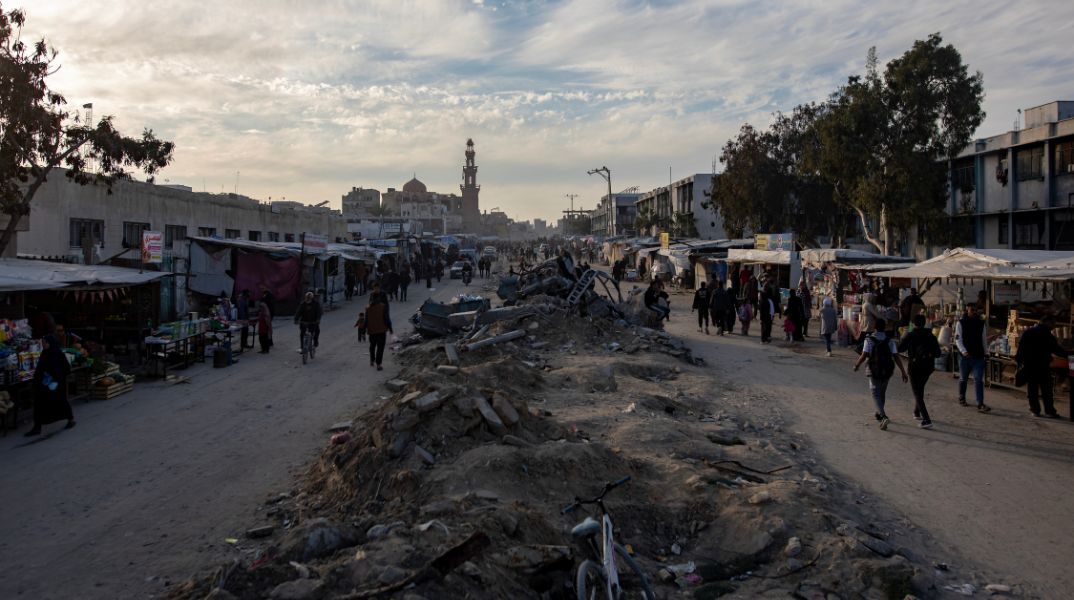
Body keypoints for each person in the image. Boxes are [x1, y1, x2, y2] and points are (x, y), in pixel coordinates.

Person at [853, 318, 908, 430]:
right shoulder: (890, 340)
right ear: (885, 327)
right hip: (887, 370)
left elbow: (864, 355)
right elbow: (896, 357)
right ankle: (879, 414)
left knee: (875, 394)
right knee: (882, 393)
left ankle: (883, 416)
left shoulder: (869, 340)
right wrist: (903, 372)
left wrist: (857, 365)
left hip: (873, 370)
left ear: (874, 327)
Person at [1015, 316, 1070, 418]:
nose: (1054, 326)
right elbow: (1056, 350)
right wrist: (1069, 354)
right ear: (1047, 323)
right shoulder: (1048, 335)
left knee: (1032, 389)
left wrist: (1019, 361)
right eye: (1053, 324)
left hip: (1030, 365)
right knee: (1047, 390)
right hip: (1043, 366)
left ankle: (1035, 410)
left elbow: (1021, 347)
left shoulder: (1029, 332)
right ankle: (1049, 411)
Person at [24, 334, 74, 436]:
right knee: (39, 404)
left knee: (61, 401)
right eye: (42, 343)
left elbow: (66, 369)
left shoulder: (58, 354)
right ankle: (37, 427)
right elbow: (40, 368)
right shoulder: (44, 353)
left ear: (50, 343)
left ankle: (70, 419)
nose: (43, 344)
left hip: (56, 385)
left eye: (45, 342)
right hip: (44, 384)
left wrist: (56, 379)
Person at [899, 314, 941, 429]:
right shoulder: (931, 335)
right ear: (925, 323)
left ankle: (927, 419)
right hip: (928, 367)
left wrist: (904, 335)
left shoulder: (911, 334)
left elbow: (900, 348)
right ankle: (916, 412)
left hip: (914, 367)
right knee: (920, 388)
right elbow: (938, 353)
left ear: (913, 324)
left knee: (917, 392)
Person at [955, 304, 991, 412]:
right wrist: (964, 351)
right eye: (972, 310)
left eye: (976, 310)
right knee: (963, 379)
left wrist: (986, 352)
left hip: (978, 356)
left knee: (978, 380)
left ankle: (980, 403)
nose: (974, 312)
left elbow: (983, 339)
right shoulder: (961, 323)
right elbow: (958, 339)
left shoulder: (981, 323)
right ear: (967, 310)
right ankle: (962, 397)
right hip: (965, 357)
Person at [365, 284, 393, 371]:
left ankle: (373, 360)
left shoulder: (368, 308)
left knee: (373, 345)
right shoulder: (382, 307)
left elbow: (366, 318)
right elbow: (386, 317)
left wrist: (365, 328)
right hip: (381, 329)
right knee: (380, 346)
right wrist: (390, 328)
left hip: (372, 330)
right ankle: (378, 363)